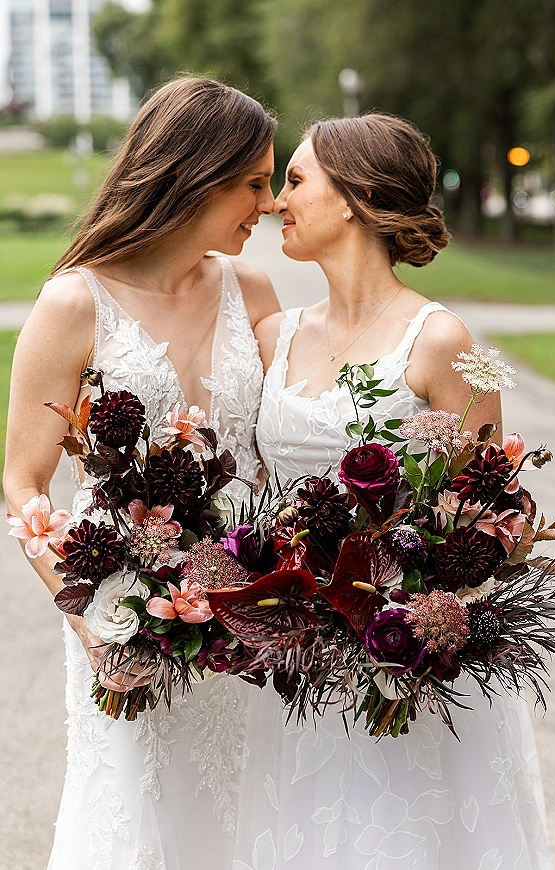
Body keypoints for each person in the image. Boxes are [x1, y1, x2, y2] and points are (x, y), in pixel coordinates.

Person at [248, 115, 553, 869]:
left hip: (405, 661)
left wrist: (407, 611)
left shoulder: (440, 341)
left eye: (293, 180)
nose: (274, 202)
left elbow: (485, 515)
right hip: (301, 658)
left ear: (351, 200)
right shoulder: (273, 335)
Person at [3, 76, 279, 869]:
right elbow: (23, 483)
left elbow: (295, 425)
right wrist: (92, 616)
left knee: (248, 804)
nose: (265, 204)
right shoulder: (72, 304)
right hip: (127, 607)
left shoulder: (250, 290)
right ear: (196, 174)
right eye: (254, 183)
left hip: (244, 597)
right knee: (135, 806)